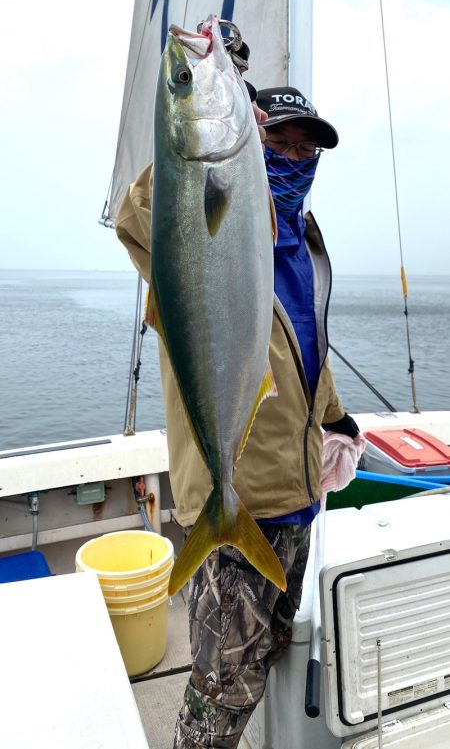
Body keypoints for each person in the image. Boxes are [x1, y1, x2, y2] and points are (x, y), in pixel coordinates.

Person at [115, 52, 362, 749]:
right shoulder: (200, 220)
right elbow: (141, 217)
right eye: (279, 138)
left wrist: (334, 416)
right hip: (237, 506)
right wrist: (191, 136)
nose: (294, 153)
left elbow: (305, 353)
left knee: (268, 661)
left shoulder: (306, 243)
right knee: (218, 694)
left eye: (305, 144)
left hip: (295, 504)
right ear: (250, 136)